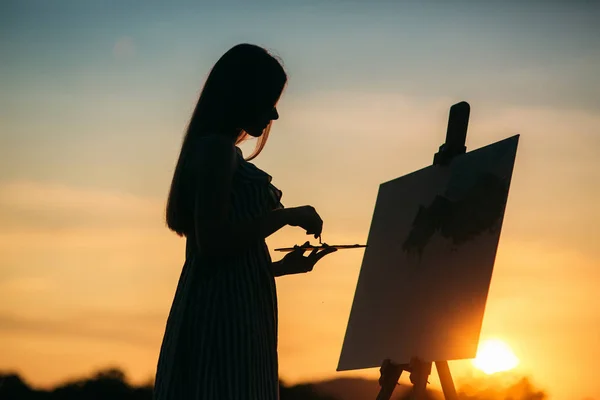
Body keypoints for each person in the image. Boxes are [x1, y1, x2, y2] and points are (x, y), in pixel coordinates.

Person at [153, 43, 338, 400]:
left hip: (231, 307)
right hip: (223, 323)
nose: (275, 114)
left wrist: (275, 268)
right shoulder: (217, 151)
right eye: (268, 100)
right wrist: (286, 216)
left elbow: (222, 262)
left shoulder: (214, 149)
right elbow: (214, 241)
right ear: (241, 95)